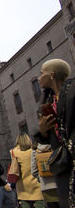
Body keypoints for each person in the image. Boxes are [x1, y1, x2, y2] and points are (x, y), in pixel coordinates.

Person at [34, 58, 74, 208]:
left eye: (41, 74)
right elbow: (50, 138)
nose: (39, 78)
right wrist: (43, 132)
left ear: (52, 75)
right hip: (62, 162)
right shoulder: (48, 102)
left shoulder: (72, 91)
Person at [10, 133, 44, 208]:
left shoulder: (13, 152)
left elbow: (14, 169)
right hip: (36, 186)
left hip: (22, 188)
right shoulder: (34, 150)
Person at [31, 142, 59, 208]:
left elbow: (34, 171)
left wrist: (41, 178)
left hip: (46, 187)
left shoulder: (35, 150)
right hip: (62, 184)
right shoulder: (59, 146)